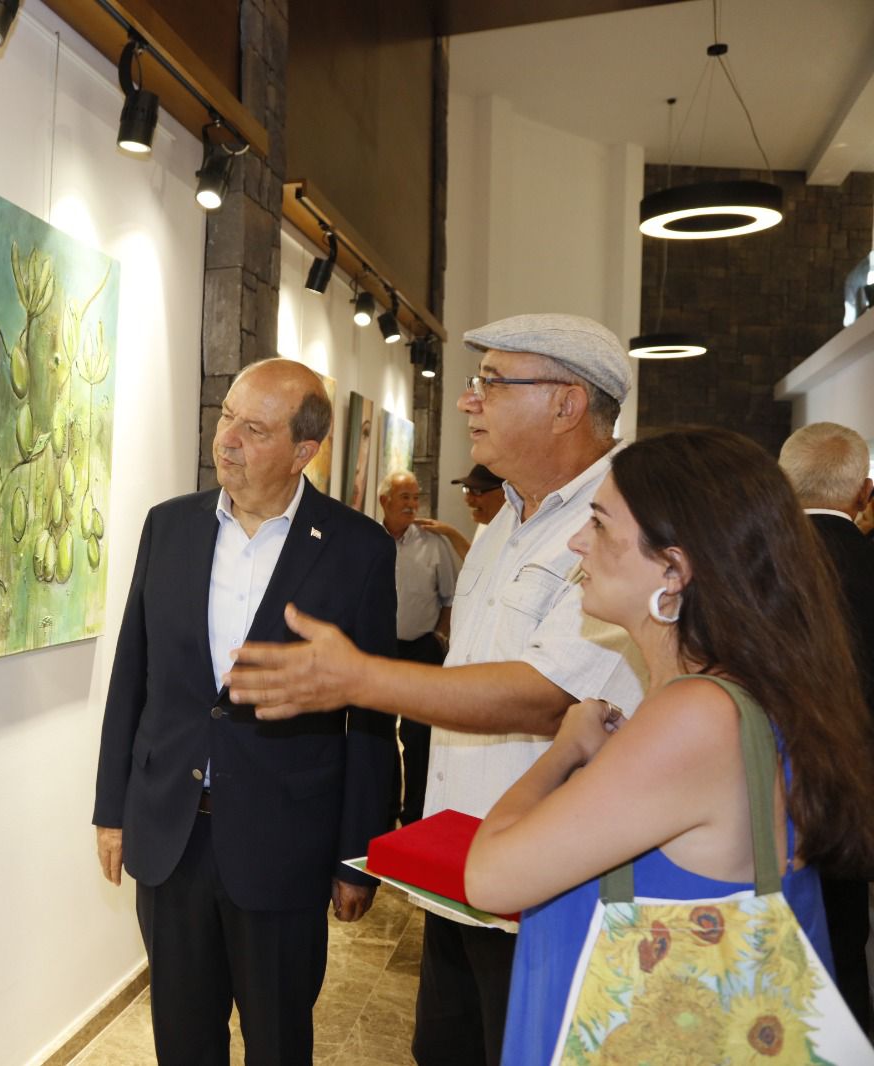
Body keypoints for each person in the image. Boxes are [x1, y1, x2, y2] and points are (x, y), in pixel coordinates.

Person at [224, 314, 648, 1066]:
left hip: (550, 890)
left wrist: (361, 676)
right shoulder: (505, 520)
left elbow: (545, 694)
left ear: (566, 403)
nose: (467, 400)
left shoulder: (624, 524)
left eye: (493, 382)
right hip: (461, 875)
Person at [464, 427, 874, 1063]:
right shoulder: (730, 693)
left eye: (600, 524)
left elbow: (490, 878)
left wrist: (567, 747)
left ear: (674, 570)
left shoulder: (695, 715)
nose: (577, 542)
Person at [92, 358, 398, 1065]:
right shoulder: (170, 526)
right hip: (172, 837)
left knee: (278, 1042)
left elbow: (372, 717)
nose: (226, 439)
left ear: (303, 450)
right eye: (227, 416)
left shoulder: (357, 550)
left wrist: (358, 857)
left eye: (254, 429)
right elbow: (132, 675)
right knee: (182, 1041)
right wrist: (112, 809)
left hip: (284, 844)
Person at [780, 421, 874, 1033]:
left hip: (755, 795)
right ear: (864, 493)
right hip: (854, 800)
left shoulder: (742, 564)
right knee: (843, 948)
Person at [378, 471, 460, 825]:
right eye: (405, 497)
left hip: (422, 649)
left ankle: (414, 817)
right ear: (385, 501)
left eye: (415, 497)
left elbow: (450, 597)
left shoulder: (433, 543)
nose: (413, 504)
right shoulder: (369, 538)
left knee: (418, 736)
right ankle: (385, 814)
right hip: (380, 651)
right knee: (380, 734)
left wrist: (439, 636)